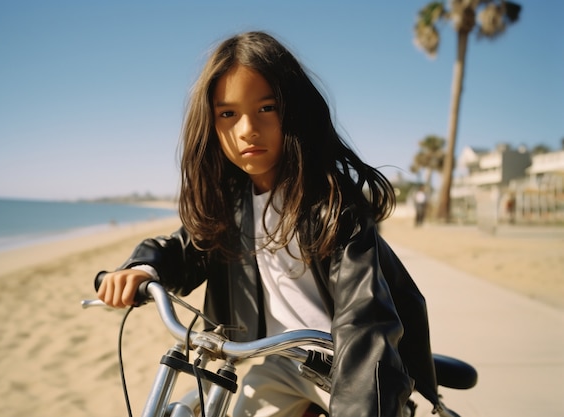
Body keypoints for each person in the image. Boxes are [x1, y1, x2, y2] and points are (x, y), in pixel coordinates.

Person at [97, 31, 448, 417]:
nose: (247, 128)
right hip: (283, 364)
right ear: (211, 125)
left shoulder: (333, 205)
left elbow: (366, 320)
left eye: (266, 108)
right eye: (228, 114)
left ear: (293, 110)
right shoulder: (231, 206)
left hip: (349, 369)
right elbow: (187, 248)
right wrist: (142, 269)